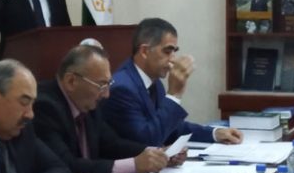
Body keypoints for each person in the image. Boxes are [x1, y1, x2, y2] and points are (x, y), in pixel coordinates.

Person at [34, 44, 169, 173]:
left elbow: (112, 144)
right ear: (71, 81)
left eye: (108, 84)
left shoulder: (87, 103)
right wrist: (134, 165)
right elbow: (68, 166)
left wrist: (156, 154)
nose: (106, 94)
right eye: (101, 85)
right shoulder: (44, 107)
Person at [102, 18, 243, 146]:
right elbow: (148, 141)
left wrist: (214, 133)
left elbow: (171, 128)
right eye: (167, 51)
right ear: (144, 51)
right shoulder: (122, 88)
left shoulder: (154, 82)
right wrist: (174, 94)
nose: (173, 59)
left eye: (174, 51)